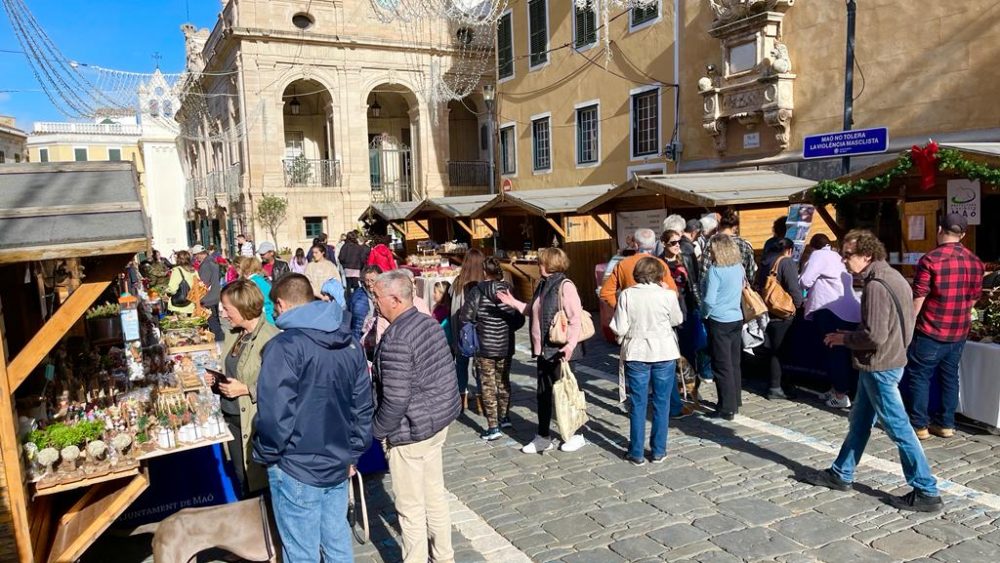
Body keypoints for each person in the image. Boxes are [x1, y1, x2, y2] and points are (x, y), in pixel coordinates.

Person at [806, 229, 942, 513]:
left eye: (848, 255)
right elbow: (888, 326)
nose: (843, 260)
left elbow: (875, 335)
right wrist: (852, 332)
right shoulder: (892, 277)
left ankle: (926, 489)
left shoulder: (877, 285)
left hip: (881, 364)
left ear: (866, 255)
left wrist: (844, 338)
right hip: (884, 361)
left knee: (899, 428)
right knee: (860, 422)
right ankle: (841, 473)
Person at [253, 274, 374, 561]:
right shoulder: (349, 342)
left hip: (296, 465)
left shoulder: (284, 347)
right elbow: (363, 406)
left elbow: (274, 416)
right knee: (337, 542)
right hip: (335, 460)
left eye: (276, 309)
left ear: (281, 304)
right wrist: (353, 454)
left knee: (303, 551)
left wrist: (268, 453)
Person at [371, 270, 460, 563]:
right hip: (435, 424)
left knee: (410, 509)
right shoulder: (428, 322)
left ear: (396, 299)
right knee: (434, 495)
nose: (375, 302)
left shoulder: (397, 338)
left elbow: (395, 400)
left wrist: (377, 431)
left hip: (411, 431)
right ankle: (444, 557)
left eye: (378, 296)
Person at [497, 247, 588, 454]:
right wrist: (513, 302)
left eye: (540, 262)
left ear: (550, 264)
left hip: (561, 350)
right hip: (544, 350)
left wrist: (570, 346)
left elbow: (575, 319)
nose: (538, 265)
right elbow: (534, 311)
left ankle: (575, 434)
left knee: (567, 393)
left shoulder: (565, 286)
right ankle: (543, 436)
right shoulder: (542, 284)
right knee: (544, 394)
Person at [903, 213, 984, 440]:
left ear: (940, 229)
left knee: (920, 376)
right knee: (950, 376)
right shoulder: (975, 261)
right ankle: (946, 424)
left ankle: (920, 425)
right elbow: (975, 297)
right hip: (958, 330)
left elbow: (919, 296)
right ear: (964, 234)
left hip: (931, 328)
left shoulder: (930, 260)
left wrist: (908, 324)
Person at [206, 279, 278, 497]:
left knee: (259, 482)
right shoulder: (236, 334)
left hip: (254, 423)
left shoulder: (271, 338)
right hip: (233, 419)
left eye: (227, 309)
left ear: (243, 308)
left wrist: (246, 389)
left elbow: (281, 385)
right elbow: (233, 373)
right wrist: (218, 383)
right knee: (242, 478)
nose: (224, 314)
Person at [611, 257, 684, 466]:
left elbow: (620, 326)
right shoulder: (667, 295)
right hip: (663, 351)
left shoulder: (627, 295)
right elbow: (677, 320)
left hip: (637, 351)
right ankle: (659, 450)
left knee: (638, 403)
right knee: (662, 403)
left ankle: (636, 452)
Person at [461, 257, 525, 440]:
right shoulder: (508, 290)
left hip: (485, 345)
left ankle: (493, 426)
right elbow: (519, 317)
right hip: (505, 343)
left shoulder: (477, 291)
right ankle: (505, 417)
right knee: (503, 381)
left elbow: (466, 317)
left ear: (484, 272)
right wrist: (507, 327)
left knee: (488, 385)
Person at [800, 234, 860, 408]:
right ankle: (838, 389)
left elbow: (805, 280)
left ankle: (840, 394)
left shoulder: (818, 255)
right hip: (849, 310)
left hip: (831, 309)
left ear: (813, 247)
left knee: (835, 352)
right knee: (843, 353)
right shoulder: (836, 255)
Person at [702, 234, 745, 420]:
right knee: (734, 362)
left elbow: (709, 300)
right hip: (736, 316)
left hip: (719, 319)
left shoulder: (715, 270)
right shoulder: (738, 267)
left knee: (721, 364)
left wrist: (703, 313)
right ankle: (735, 399)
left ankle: (726, 407)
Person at [754, 237, 804, 400]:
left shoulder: (765, 261)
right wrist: (797, 305)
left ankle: (777, 383)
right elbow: (793, 288)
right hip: (782, 312)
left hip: (768, 310)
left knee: (772, 349)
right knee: (780, 351)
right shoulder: (785, 262)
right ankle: (776, 387)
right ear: (789, 250)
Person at [599, 228, 677, 310]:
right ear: (654, 245)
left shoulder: (623, 264)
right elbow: (673, 292)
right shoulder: (661, 264)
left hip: (631, 316)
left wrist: (620, 310)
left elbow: (605, 293)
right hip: (657, 316)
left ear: (635, 244)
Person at [450, 248, 487, 410]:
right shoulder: (484, 283)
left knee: (461, 363)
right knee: (479, 366)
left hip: (461, 329)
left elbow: (450, 304)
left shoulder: (458, 282)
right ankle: (481, 401)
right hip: (479, 330)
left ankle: (461, 397)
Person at [701, 207, 756, 282]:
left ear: (719, 225)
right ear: (735, 227)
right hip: (739, 287)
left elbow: (704, 269)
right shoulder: (744, 244)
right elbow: (750, 272)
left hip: (717, 286)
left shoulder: (712, 241)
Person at [192, 245, 223, 341]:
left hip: (208, 298)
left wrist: (194, 298)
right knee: (215, 320)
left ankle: (219, 343)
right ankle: (219, 340)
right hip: (214, 296)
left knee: (213, 322)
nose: (195, 259)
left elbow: (203, 283)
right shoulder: (213, 261)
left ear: (200, 254)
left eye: (195, 256)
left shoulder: (206, 265)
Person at [237, 257, 275, 325]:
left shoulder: (250, 283)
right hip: (271, 316)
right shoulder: (264, 280)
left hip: (261, 319)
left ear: (246, 270)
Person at [349, 265, 382, 341]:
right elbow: (357, 324)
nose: (369, 284)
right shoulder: (359, 297)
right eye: (367, 280)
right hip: (362, 336)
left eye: (372, 280)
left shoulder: (383, 293)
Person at [166, 250, 200, 315]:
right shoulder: (193, 271)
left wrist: (166, 291)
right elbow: (199, 286)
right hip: (191, 305)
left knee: (179, 325)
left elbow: (172, 289)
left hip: (178, 307)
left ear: (178, 259)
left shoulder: (177, 270)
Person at [432, 280, 454, 349]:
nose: (433, 294)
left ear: (442, 294)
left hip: (441, 342)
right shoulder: (446, 307)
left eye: (435, 292)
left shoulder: (441, 310)